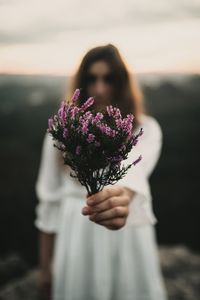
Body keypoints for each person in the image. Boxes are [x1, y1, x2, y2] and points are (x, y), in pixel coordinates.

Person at [34, 44, 168, 300]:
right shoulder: (60, 135)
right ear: (81, 84)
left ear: (122, 83)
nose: (99, 88)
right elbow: (48, 204)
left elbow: (133, 174)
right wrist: (45, 269)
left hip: (128, 237)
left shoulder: (146, 129)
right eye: (91, 79)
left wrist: (121, 197)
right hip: (75, 236)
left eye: (109, 79)